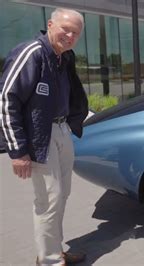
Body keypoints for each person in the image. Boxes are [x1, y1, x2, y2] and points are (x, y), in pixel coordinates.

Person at [0, 8, 88, 266]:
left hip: (61, 130)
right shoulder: (32, 53)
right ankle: (49, 260)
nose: (69, 35)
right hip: (40, 136)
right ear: (50, 25)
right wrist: (18, 151)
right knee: (49, 199)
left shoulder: (64, 57)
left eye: (75, 32)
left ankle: (54, 249)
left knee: (62, 194)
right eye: (65, 29)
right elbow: (6, 100)